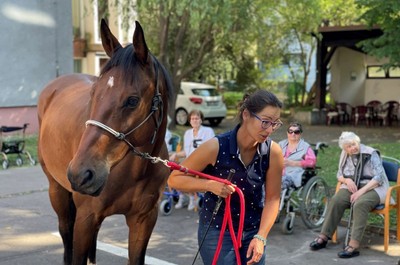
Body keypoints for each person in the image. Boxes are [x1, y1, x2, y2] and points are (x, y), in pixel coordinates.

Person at [168, 90, 284, 265]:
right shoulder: (216, 146)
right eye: (265, 122)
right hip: (217, 231)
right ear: (246, 115)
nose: (269, 130)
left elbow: (273, 198)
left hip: (253, 231)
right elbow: (174, 178)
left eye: (275, 124)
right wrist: (209, 185)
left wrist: (261, 236)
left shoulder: (273, 152)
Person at [309, 131, 389, 258]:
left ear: (358, 142)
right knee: (336, 200)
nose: (352, 148)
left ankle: (353, 245)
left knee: (360, 204)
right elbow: (339, 174)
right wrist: (346, 180)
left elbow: (379, 178)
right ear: (344, 148)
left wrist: (360, 192)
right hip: (352, 185)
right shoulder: (345, 154)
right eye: (348, 146)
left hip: (374, 187)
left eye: (354, 144)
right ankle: (323, 237)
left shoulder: (371, 152)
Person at [169, 110, 215, 210]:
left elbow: (212, 150)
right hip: (189, 162)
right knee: (175, 173)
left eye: (197, 118)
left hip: (203, 162)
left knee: (185, 175)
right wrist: (175, 154)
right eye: (192, 119)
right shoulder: (187, 133)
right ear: (190, 121)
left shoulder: (208, 131)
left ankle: (191, 199)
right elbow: (186, 151)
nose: (194, 120)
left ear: (201, 120)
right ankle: (182, 197)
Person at [279, 122, 316, 190]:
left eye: (296, 132)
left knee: (283, 180)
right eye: (290, 131)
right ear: (287, 133)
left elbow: (312, 162)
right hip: (278, 171)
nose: (293, 134)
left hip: (294, 172)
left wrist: (293, 163)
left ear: (300, 134)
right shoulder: (281, 144)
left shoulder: (305, 147)